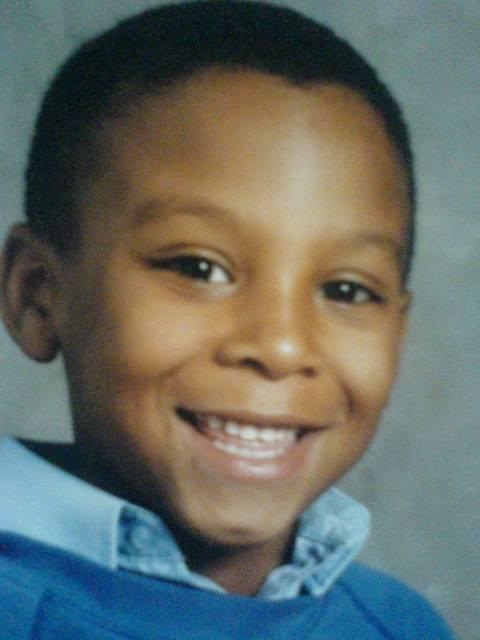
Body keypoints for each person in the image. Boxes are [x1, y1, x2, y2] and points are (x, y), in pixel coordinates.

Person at [0, 1, 455, 638]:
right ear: (38, 295)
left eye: (347, 289)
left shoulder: (401, 626)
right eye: (199, 268)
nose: (282, 346)